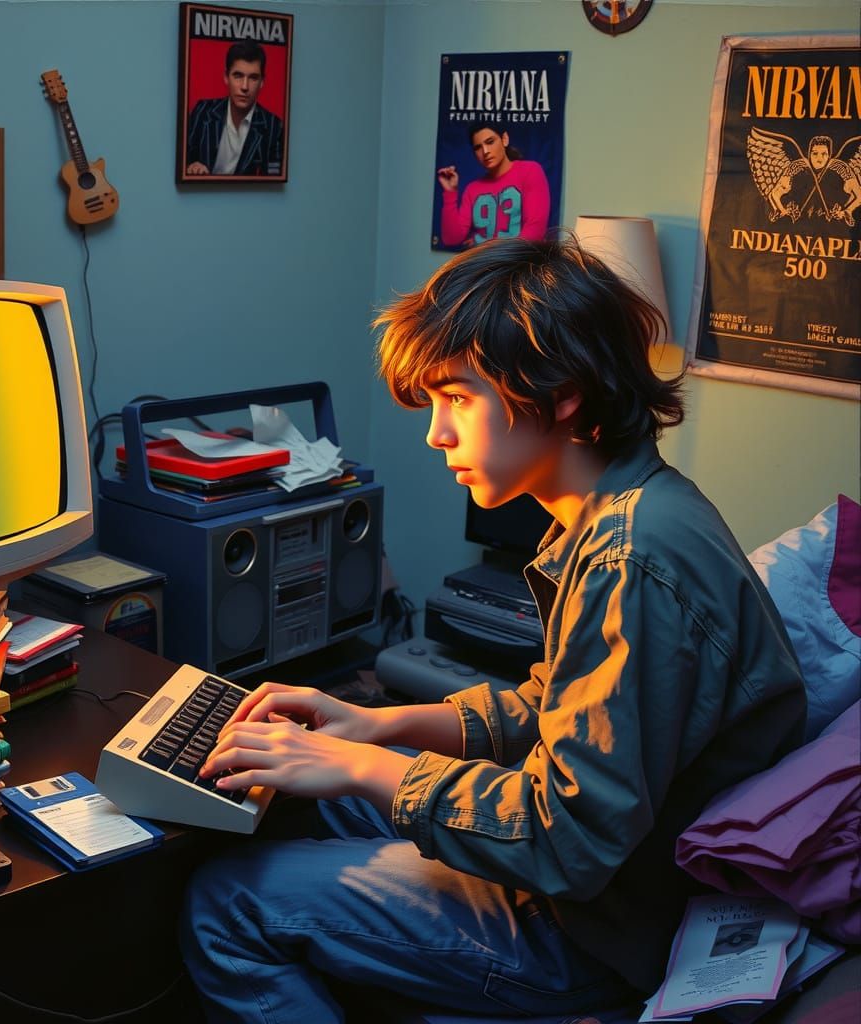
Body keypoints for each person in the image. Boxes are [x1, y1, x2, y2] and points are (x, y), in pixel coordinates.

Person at [178, 237, 807, 1022]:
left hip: (591, 928)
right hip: (597, 882)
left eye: (458, 398)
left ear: (562, 393)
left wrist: (359, 764)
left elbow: (567, 840)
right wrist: (379, 726)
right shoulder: (625, 511)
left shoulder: (631, 561)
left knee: (227, 903)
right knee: (301, 797)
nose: (436, 433)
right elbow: (553, 709)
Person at [438, 122, 550, 247]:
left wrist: (488, 245)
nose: (485, 151)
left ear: (504, 139)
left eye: (490, 142)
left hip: (517, 259)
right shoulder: (472, 189)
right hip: (484, 259)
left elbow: (535, 231)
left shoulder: (530, 171)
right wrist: (450, 192)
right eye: (478, 147)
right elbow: (451, 239)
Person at [185, 40, 284, 177]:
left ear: (262, 82)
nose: (244, 86)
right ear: (226, 77)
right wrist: (191, 166)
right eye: (238, 76)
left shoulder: (274, 127)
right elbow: (182, 160)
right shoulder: (203, 111)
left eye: (253, 78)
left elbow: (274, 180)